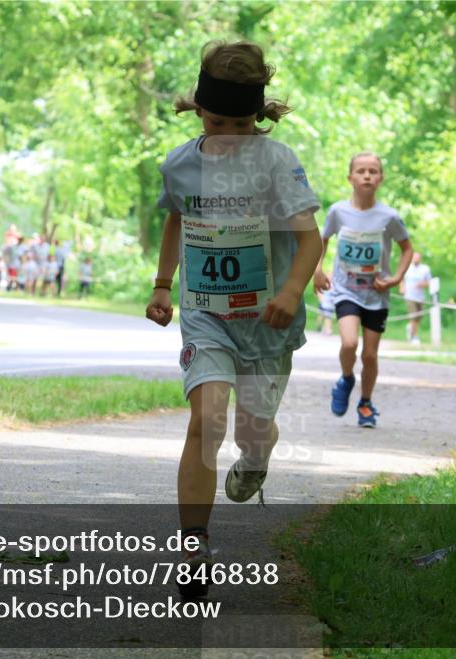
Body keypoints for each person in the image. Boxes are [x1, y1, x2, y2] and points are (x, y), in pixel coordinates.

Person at [144, 40, 321, 598]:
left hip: (268, 321)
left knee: (251, 427)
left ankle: (258, 454)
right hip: (207, 316)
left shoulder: (276, 161)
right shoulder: (180, 163)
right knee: (207, 421)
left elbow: (310, 237)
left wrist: (292, 291)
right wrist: (162, 284)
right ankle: (193, 548)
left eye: (239, 125)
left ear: (258, 119)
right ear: (198, 109)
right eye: (216, 121)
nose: (225, 135)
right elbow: (176, 219)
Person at [313, 152, 413, 428]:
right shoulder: (337, 211)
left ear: (380, 178)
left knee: (370, 355)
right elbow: (321, 241)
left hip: (376, 294)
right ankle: (346, 378)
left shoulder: (389, 216)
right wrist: (317, 269)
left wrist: (394, 278)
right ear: (350, 178)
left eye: (373, 171)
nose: (367, 175)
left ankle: (366, 403)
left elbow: (407, 249)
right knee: (349, 343)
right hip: (346, 290)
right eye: (361, 171)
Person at [399, 252, 431, 344]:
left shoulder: (425, 269)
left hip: (420, 297)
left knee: (419, 317)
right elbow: (402, 278)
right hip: (410, 296)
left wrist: (423, 284)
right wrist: (402, 287)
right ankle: (414, 336)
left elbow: (429, 281)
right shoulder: (407, 268)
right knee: (413, 316)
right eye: (414, 257)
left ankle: (411, 329)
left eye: (418, 258)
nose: (416, 259)